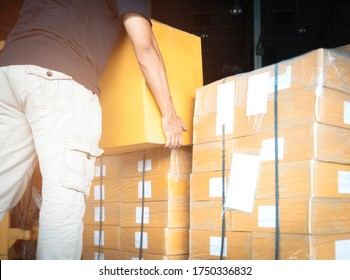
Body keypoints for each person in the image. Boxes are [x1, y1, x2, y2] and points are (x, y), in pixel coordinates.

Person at [0, 0, 187, 260]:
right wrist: (169, 115)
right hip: (60, 75)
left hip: (7, 73)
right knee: (63, 199)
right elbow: (145, 45)